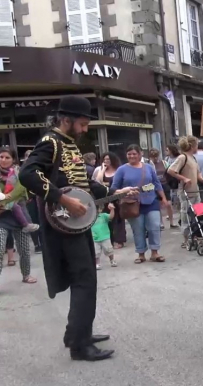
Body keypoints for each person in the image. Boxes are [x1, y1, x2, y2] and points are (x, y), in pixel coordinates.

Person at [19, 96, 137, 361]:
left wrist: (116, 191)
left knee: (84, 279)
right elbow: (27, 174)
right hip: (62, 224)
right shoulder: (50, 142)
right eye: (82, 124)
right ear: (66, 119)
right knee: (84, 279)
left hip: (77, 224)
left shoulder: (68, 144)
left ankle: (77, 333)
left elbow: (83, 185)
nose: (85, 130)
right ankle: (79, 346)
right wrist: (62, 199)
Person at [111, 145, 168, 264]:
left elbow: (156, 183)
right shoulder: (122, 170)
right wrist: (125, 191)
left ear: (140, 154)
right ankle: (141, 253)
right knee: (138, 229)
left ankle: (155, 252)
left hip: (151, 201)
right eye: (129, 154)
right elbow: (114, 188)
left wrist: (163, 198)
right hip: (132, 204)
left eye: (134, 153)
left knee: (154, 226)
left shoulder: (148, 167)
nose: (132, 156)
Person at [0, 147, 37, 284]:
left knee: (24, 250)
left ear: (14, 159)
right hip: (2, 219)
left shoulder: (19, 174)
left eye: (7, 157)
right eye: (1, 157)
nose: (3, 160)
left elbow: (19, 193)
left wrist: (4, 204)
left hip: (19, 217)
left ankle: (26, 275)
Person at [167, 136, 203, 248]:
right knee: (185, 214)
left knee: (196, 215)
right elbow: (171, 170)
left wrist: (202, 179)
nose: (197, 146)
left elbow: (198, 173)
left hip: (195, 191)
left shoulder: (193, 158)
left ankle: (195, 235)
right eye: (196, 144)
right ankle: (186, 239)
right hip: (185, 191)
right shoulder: (182, 157)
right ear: (191, 146)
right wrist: (184, 178)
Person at [94, 152, 126, 249]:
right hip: (105, 197)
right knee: (107, 218)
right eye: (104, 159)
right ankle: (110, 239)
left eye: (108, 159)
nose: (106, 161)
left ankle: (119, 240)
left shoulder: (118, 170)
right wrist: (103, 169)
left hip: (116, 196)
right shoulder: (100, 170)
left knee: (118, 218)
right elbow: (98, 181)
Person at [148, 148, 176, 229]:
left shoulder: (164, 162)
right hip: (155, 186)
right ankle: (161, 223)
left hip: (165, 184)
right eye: (153, 157)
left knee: (169, 204)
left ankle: (171, 222)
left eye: (156, 156)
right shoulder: (149, 165)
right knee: (159, 205)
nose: (155, 158)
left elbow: (169, 171)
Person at [92, 204, 117, 269]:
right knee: (96, 252)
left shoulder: (103, 216)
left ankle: (112, 260)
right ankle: (97, 263)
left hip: (105, 237)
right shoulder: (90, 218)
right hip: (94, 238)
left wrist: (112, 209)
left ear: (99, 210)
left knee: (109, 250)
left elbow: (111, 217)